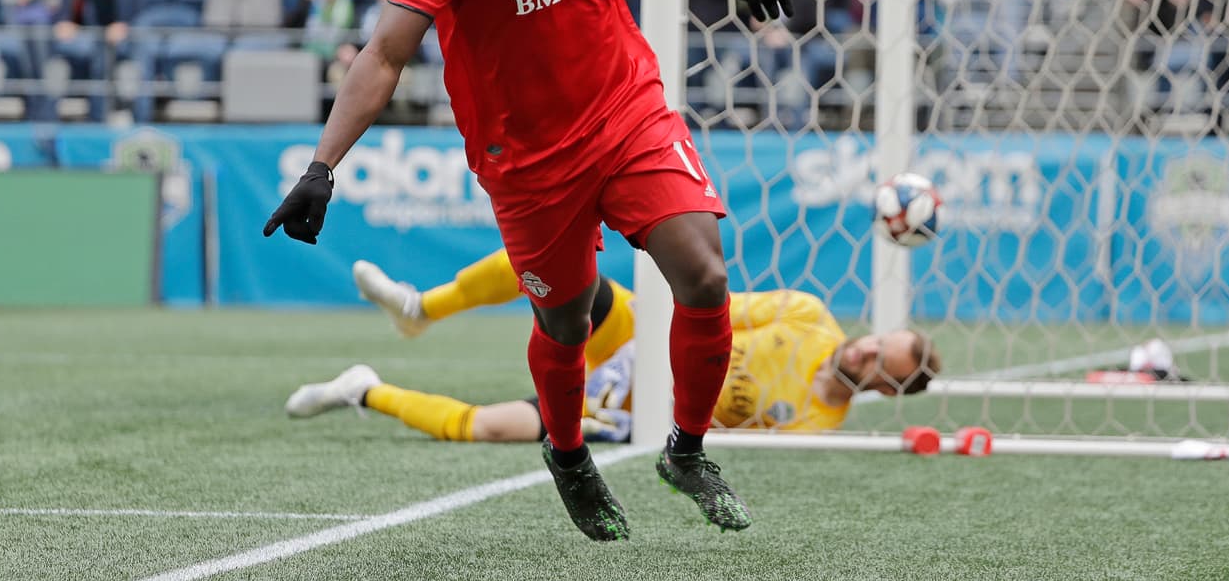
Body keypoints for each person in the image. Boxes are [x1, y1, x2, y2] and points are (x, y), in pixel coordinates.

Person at [262, 0, 806, 542]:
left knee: (705, 273)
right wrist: (322, 166)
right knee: (564, 323)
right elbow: (384, 56)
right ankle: (567, 449)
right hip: (529, 160)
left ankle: (685, 449)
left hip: (627, 115)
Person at [285, 250, 944, 444]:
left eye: (882, 361)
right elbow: (708, 310)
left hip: (634, 410)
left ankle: (362, 387)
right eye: (877, 340)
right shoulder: (808, 314)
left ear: (885, 388)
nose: (865, 350)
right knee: (545, 260)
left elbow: (717, 436)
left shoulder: (818, 424)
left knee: (490, 427)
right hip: (638, 334)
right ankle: (417, 309)